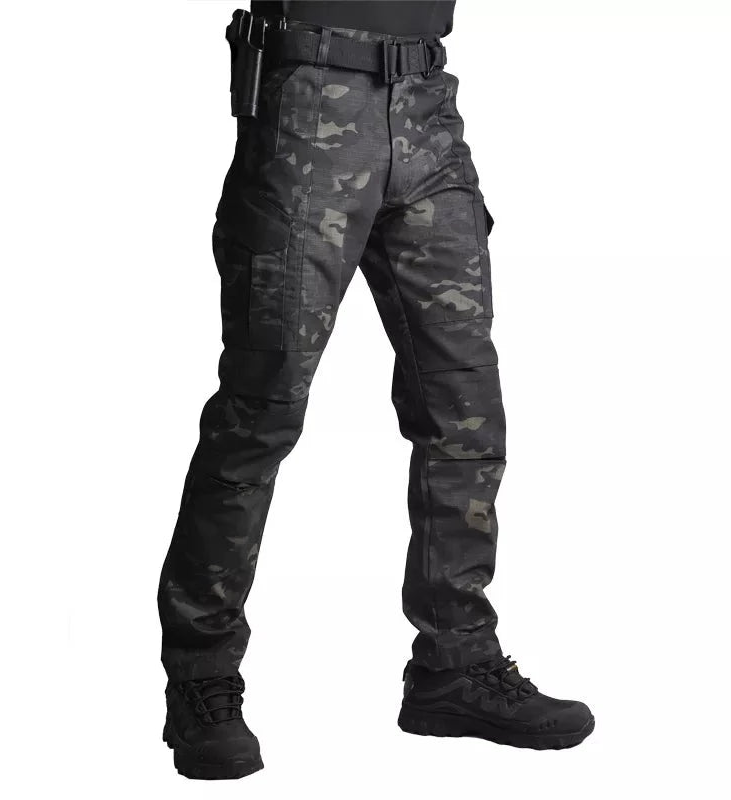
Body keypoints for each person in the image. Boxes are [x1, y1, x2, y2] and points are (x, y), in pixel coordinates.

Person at [158, 1, 594, 780]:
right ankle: (201, 678)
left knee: (465, 409)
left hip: (427, 107)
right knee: (262, 410)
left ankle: (455, 665)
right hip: (308, 106)